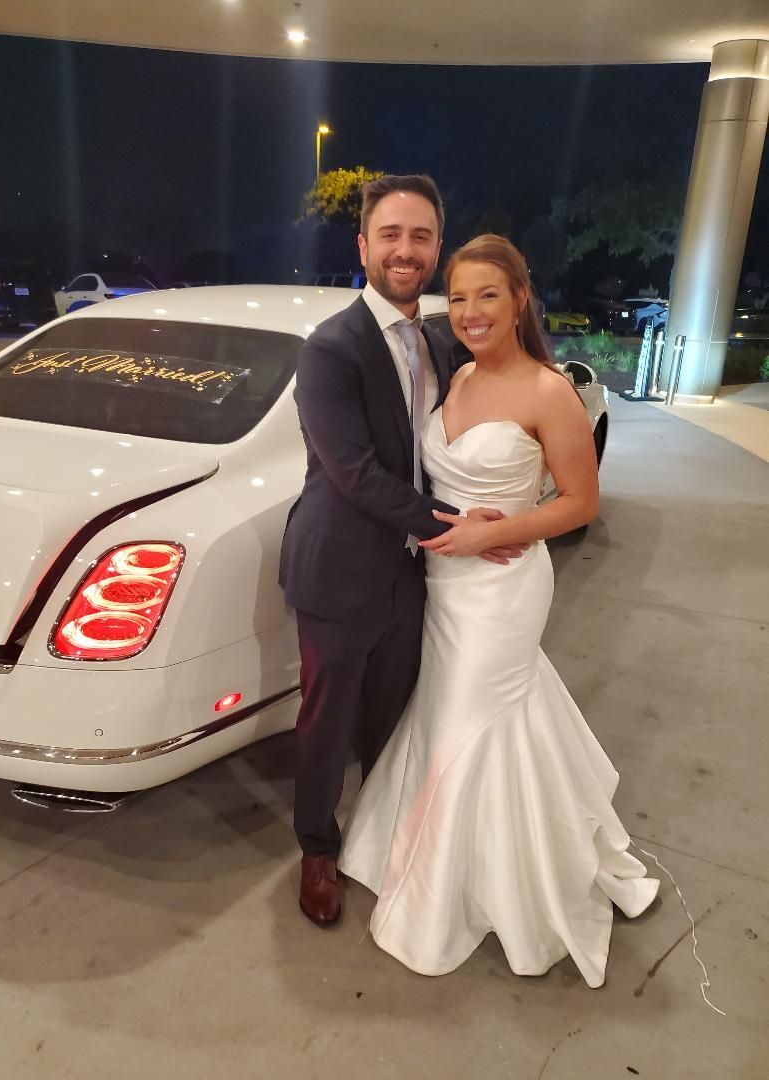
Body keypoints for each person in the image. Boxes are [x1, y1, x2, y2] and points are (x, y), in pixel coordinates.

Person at [339, 234, 659, 986]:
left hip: (504, 584)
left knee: (466, 720)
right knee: (450, 711)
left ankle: (459, 888)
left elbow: (581, 502)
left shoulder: (549, 390)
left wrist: (500, 529)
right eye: (457, 298)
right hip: (446, 582)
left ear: (520, 298)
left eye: (487, 294)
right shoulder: (457, 376)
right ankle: (458, 857)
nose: (470, 312)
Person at [279, 179, 526, 927]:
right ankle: (317, 849)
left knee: (393, 714)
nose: (405, 250)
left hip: (418, 573)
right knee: (327, 721)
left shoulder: (444, 340)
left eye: (420, 236)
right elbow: (354, 474)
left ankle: (384, 834)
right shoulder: (331, 349)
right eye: (390, 234)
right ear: (363, 247)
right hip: (340, 567)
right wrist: (456, 526)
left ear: (436, 249)